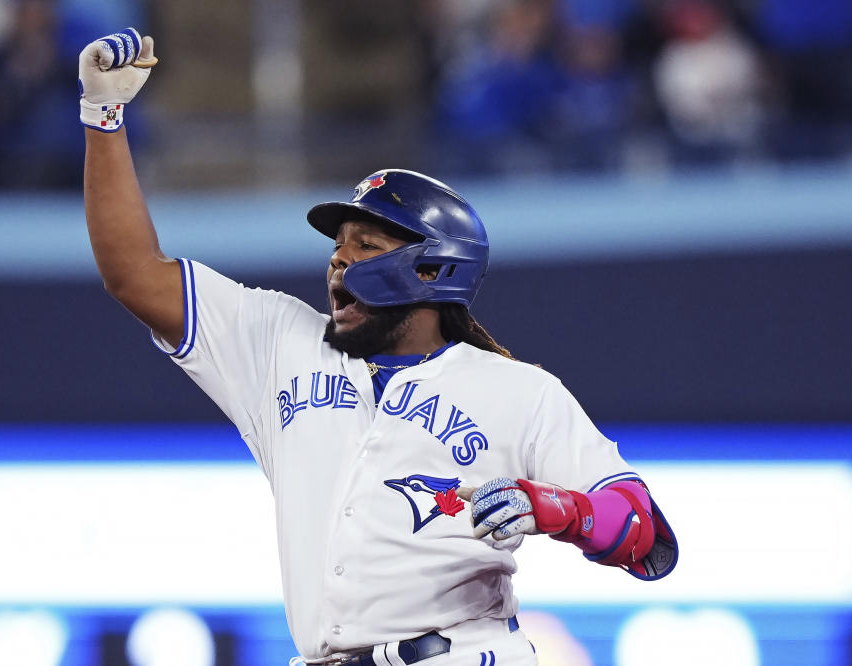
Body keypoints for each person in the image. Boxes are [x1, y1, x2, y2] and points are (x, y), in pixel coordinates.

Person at [80, 29, 678, 666]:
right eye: (338, 246)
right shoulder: (283, 344)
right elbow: (134, 274)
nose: (340, 260)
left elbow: (648, 537)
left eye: (366, 246)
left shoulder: (517, 392)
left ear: (432, 271)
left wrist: (557, 507)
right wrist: (103, 118)